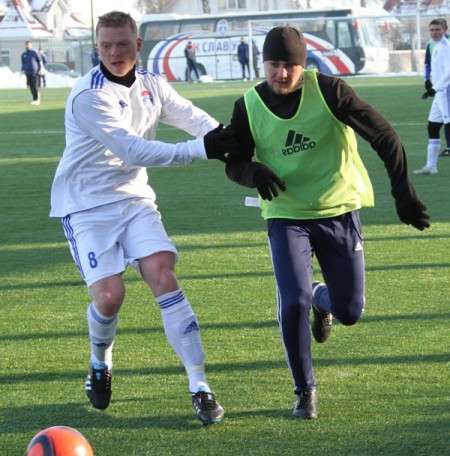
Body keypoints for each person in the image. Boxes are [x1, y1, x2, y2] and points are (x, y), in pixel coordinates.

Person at [224, 26, 430, 419]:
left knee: (350, 311)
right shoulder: (248, 105)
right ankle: (305, 390)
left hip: (338, 210)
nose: (281, 73)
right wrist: (252, 172)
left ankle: (323, 299)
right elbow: (234, 163)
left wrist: (403, 193)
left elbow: (384, 135)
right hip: (286, 215)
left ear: (303, 65)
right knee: (292, 301)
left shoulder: (331, 91)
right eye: (274, 64)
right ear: (263, 63)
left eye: (290, 65)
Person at [49, 11, 236, 425]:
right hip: (85, 205)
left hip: (133, 199)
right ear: (96, 48)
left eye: (122, 44)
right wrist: (204, 149)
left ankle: (200, 385)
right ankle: (100, 362)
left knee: (164, 276)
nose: (114, 53)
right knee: (110, 296)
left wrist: (228, 139)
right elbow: (133, 150)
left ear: (137, 45)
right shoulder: (88, 95)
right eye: (105, 46)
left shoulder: (152, 84)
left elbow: (192, 117)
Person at [415, 18, 450, 174]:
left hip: (446, 91)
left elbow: (449, 73)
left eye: (438, 29)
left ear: (445, 30)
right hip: (439, 93)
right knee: (433, 126)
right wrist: (430, 83)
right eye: (432, 30)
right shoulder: (434, 45)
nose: (434, 32)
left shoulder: (446, 47)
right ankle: (431, 166)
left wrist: (435, 88)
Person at [21, 40, 42, 105]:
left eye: (29, 45)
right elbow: (23, 63)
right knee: (31, 87)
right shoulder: (24, 54)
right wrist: (22, 70)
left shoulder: (34, 52)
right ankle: (34, 99)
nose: (28, 46)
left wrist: (40, 69)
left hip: (35, 72)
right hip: (28, 72)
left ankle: (37, 99)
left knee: (35, 86)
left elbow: (39, 61)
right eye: (27, 45)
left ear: (31, 45)